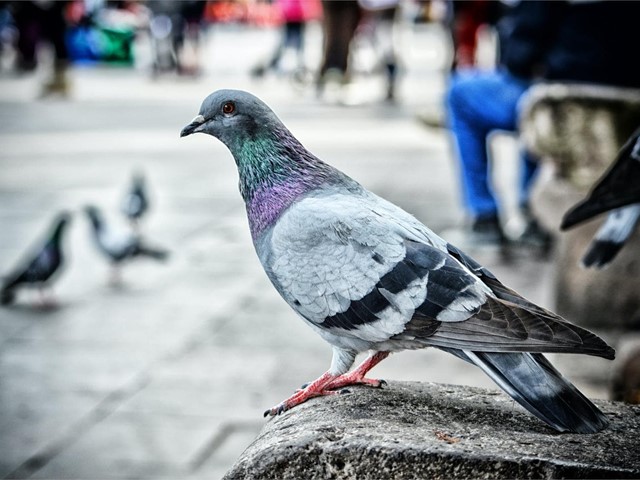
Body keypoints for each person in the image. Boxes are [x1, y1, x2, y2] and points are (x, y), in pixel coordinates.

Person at [445, 0, 640, 247]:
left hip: (565, 105)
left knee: (460, 93)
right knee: (535, 94)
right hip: (630, 108)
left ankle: (484, 216)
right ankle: (531, 215)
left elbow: (520, 58)